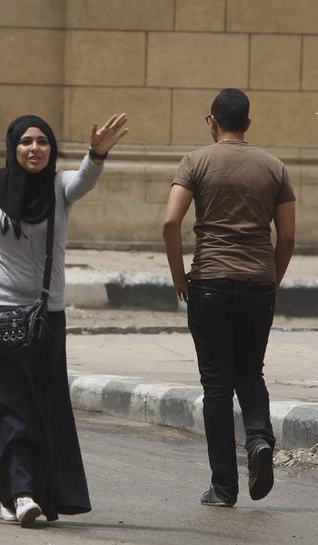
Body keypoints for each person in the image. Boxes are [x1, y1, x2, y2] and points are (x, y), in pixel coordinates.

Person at [0, 113, 128, 526]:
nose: (35, 149)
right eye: (27, 142)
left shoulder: (60, 187)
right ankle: (21, 492)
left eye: (42, 142)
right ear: (13, 147)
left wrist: (97, 154)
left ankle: (28, 491)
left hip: (46, 318)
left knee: (41, 407)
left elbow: (84, 180)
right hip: (0, 316)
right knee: (8, 406)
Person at [163, 89, 295, 507]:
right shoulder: (274, 167)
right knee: (250, 373)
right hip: (258, 283)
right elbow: (288, 236)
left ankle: (223, 487)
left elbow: (170, 222)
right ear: (248, 123)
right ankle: (259, 439)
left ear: (212, 122)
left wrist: (179, 277)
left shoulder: (195, 161)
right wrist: (271, 280)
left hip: (210, 282)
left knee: (217, 386)